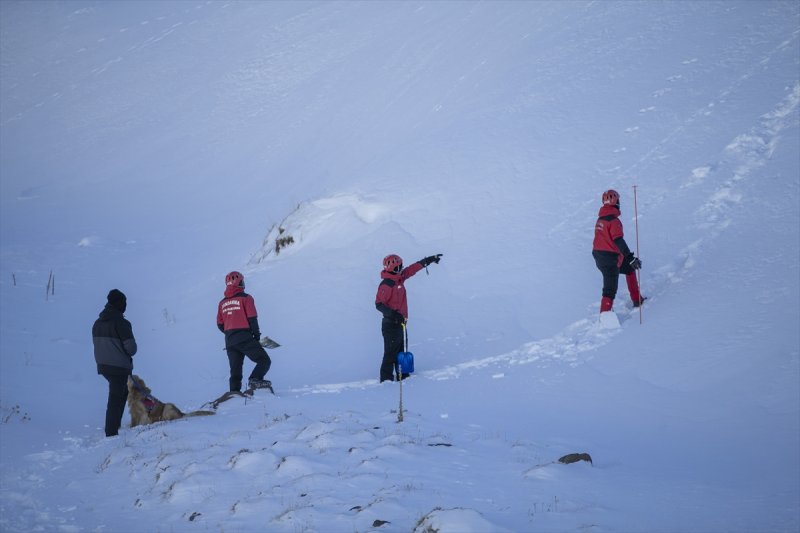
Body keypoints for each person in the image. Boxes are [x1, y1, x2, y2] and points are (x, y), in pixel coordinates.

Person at [375, 253, 442, 382]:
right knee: (390, 352)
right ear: (393, 268)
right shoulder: (386, 284)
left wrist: (428, 260)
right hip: (390, 324)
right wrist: (394, 315)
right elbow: (379, 304)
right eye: (399, 265)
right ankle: (386, 379)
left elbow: (412, 269)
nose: (402, 267)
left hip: (400, 323)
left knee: (401, 350)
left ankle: (403, 376)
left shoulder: (399, 278)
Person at [216, 271, 272, 391]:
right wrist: (256, 336)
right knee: (264, 360)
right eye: (242, 281)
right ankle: (255, 379)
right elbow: (252, 318)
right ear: (239, 282)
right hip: (244, 337)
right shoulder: (246, 298)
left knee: (235, 371)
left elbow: (220, 324)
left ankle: (234, 393)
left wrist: (230, 333)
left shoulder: (222, 303)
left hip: (230, 341)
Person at [92, 289, 137, 437]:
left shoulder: (97, 323)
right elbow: (131, 349)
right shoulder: (122, 323)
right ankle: (111, 432)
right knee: (115, 397)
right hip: (119, 367)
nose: (125, 306)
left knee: (122, 392)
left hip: (103, 366)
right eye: (124, 303)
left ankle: (115, 425)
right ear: (120, 304)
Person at [592, 189, 644, 312]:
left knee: (629, 268)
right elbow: (618, 240)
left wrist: (628, 261)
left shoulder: (601, 219)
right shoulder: (613, 221)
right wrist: (630, 258)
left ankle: (637, 299)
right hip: (609, 258)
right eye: (618, 200)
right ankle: (604, 318)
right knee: (610, 290)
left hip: (600, 256)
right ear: (615, 201)